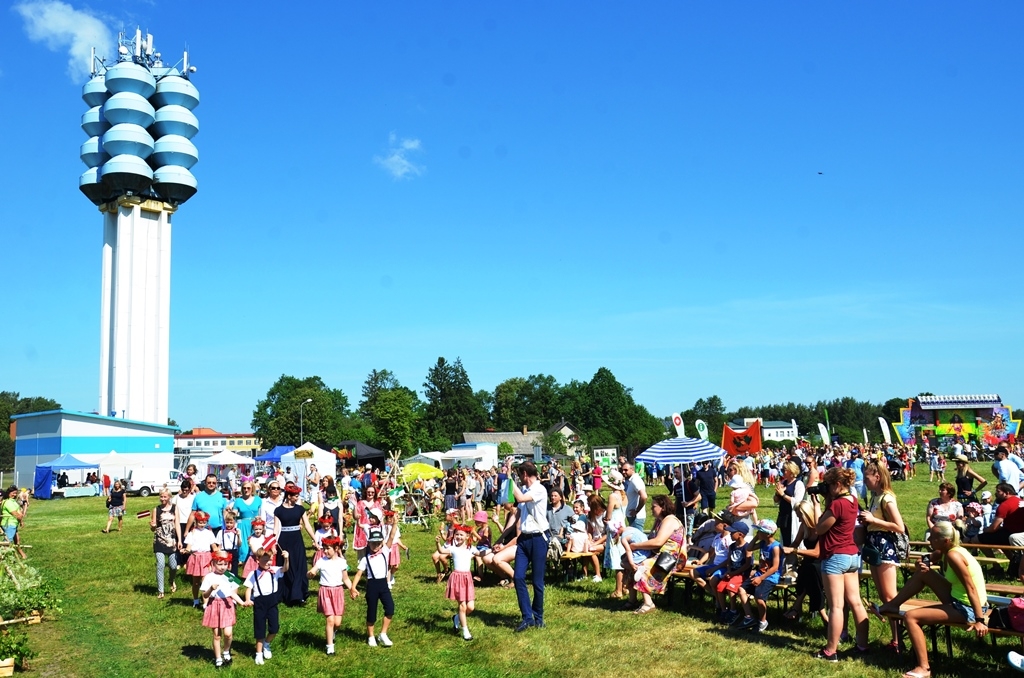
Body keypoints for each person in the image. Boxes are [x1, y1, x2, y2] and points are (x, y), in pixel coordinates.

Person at [877, 521, 988, 678]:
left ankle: (924, 668)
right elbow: (926, 558)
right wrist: (922, 564)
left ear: (945, 540)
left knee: (910, 617)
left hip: (967, 607)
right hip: (957, 598)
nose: (929, 540)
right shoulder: (946, 550)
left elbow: (971, 588)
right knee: (924, 573)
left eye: (933, 537)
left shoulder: (953, 556)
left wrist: (979, 620)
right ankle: (892, 605)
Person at [814, 467, 869, 661]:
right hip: (852, 554)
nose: (826, 489)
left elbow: (819, 528)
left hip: (836, 556)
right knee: (855, 601)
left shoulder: (837, 505)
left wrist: (816, 507)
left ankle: (830, 651)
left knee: (836, 606)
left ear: (837, 485)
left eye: (828, 486)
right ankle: (862, 645)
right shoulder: (853, 501)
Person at [860, 460, 906, 650]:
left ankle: (898, 639)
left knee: (890, 596)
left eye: (867, 478)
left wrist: (872, 519)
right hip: (874, 547)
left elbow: (899, 526)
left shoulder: (887, 498)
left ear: (877, 477)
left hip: (885, 546)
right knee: (883, 594)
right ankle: (894, 638)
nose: (865, 482)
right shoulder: (874, 497)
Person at [620, 494, 685, 614]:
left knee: (642, 565)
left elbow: (658, 542)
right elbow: (650, 538)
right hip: (658, 554)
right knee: (630, 563)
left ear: (663, 507)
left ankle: (648, 602)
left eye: (654, 506)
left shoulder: (670, 520)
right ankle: (632, 599)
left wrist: (635, 546)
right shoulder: (659, 521)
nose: (651, 509)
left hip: (669, 559)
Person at [511, 461, 549, 632]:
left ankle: (538, 617)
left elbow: (520, 499)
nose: (519, 478)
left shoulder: (539, 489)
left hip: (538, 539)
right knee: (518, 577)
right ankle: (527, 617)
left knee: (537, 581)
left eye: (519, 475)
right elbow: (518, 512)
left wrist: (508, 479)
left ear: (525, 474)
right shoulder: (526, 489)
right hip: (524, 539)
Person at [200, 551, 252, 668]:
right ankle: (218, 658)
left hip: (227, 605)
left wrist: (242, 602)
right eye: (219, 564)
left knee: (228, 633)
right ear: (213, 563)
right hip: (214, 605)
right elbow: (205, 596)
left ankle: (226, 651)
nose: (222, 567)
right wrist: (210, 589)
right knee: (217, 635)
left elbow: (233, 593)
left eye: (225, 564)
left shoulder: (230, 576)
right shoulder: (209, 577)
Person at [350, 525, 397, 647]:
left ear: (381, 543)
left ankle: (383, 633)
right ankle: (371, 636)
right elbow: (359, 573)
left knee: (390, 608)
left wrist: (395, 523)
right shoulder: (366, 559)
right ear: (369, 544)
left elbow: (391, 536)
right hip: (372, 585)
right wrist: (353, 587)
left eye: (377, 543)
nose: (375, 546)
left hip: (383, 585)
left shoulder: (385, 552)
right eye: (372, 544)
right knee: (372, 611)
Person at [308, 536, 354, 655]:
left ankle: (333, 632)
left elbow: (346, 578)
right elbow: (313, 570)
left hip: (338, 592)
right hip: (326, 591)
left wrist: (352, 589)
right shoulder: (321, 561)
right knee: (330, 620)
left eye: (328, 548)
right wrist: (311, 573)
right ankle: (330, 647)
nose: (325, 551)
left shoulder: (342, 562)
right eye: (324, 548)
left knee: (337, 623)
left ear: (336, 548)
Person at [243, 546, 290, 665]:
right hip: (259, 603)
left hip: (272, 601)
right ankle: (258, 653)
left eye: (270, 560)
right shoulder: (253, 574)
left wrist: (286, 559)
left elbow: (285, 569)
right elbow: (248, 588)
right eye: (265, 560)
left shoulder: (274, 570)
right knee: (260, 629)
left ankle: (267, 644)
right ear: (257, 560)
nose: (268, 563)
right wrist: (248, 599)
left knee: (274, 628)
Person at [782, 501, 826, 625]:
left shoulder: (820, 528)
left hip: (821, 562)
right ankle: (822, 614)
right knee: (807, 572)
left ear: (807, 514)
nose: (799, 520)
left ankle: (796, 608)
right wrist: (787, 549)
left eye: (800, 516)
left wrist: (794, 550)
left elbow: (817, 553)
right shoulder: (804, 527)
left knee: (809, 571)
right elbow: (795, 543)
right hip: (809, 564)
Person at [734, 518, 781, 632]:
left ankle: (762, 621)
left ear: (768, 534)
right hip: (760, 574)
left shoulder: (775, 547)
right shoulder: (763, 543)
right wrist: (757, 537)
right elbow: (749, 548)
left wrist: (761, 578)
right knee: (741, 590)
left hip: (770, 577)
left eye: (760, 531)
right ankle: (749, 617)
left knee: (759, 598)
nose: (757, 533)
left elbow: (775, 567)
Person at [274, 482, 316, 606]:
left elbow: (307, 525)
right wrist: (273, 544)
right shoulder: (279, 510)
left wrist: (314, 539)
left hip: (297, 540)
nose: (297, 498)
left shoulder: (300, 509)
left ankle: (298, 595)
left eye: (297, 495)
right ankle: (286, 593)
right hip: (284, 540)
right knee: (286, 566)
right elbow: (276, 529)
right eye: (295, 496)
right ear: (288, 496)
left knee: (298, 566)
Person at [436, 524, 477, 641]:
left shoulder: (471, 549)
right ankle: (465, 631)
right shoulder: (453, 548)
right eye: (456, 534)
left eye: (461, 535)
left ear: (467, 536)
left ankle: (457, 618)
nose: (458, 537)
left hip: (467, 578)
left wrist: (493, 549)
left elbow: (481, 554)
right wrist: (437, 543)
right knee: (462, 605)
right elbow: (442, 551)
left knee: (471, 607)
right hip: (457, 578)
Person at [183, 511, 217, 608]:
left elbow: (214, 546)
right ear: (196, 522)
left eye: (204, 522)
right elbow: (189, 547)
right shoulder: (192, 533)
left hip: (206, 557)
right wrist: (185, 550)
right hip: (195, 558)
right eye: (200, 522)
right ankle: (196, 600)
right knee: (196, 582)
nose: (202, 524)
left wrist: (221, 553)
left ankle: (206, 602)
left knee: (205, 580)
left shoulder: (209, 533)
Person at [603, 470, 628, 598]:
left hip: (614, 530)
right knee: (623, 558)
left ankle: (618, 590)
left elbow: (609, 515)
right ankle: (624, 587)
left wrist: (604, 520)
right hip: (622, 527)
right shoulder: (624, 495)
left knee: (618, 561)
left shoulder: (613, 496)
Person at [150, 490, 179, 599]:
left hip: (172, 541)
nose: (162, 499)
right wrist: (152, 525)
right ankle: (160, 591)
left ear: (169, 497)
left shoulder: (174, 508)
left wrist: (179, 540)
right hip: (159, 541)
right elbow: (153, 527)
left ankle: (171, 580)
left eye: (165, 497)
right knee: (160, 564)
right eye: (161, 497)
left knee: (173, 566)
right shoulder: (156, 509)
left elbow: (177, 525)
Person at [774, 461, 806, 547]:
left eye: (784, 470)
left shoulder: (798, 484)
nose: (782, 471)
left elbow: (797, 501)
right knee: (784, 538)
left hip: (793, 515)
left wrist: (783, 495)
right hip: (783, 515)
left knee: (793, 536)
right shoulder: (783, 483)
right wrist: (777, 493)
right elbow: (776, 500)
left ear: (791, 471)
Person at [231, 481, 262, 565]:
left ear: (252, 489)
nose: (246, 490)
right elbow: (234, 513)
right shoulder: (238, 500)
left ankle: (255, 561)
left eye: (248, 488)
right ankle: (244, 561)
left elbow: (261, 512)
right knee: (244, 546)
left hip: (254, 525)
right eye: (244, 488)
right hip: (243, 524)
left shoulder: (258, 499)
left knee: (254, 543)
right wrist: (230, 513)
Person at [621, 461, 648, 530]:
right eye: (622, 470)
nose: (623, 472)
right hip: (633, 517)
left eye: (626, 470)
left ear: (632, 470)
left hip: (636, 517)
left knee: (637, 539)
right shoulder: (632, 480)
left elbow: (644, 496)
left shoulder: (635, 480)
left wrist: (637, 510)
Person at [1, 486, 25, 558]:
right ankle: (2, 557)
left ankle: (23, 555)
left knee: (17, 540)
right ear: (9, 493)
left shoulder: (12, 501)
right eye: (13, 493)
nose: (15, 495)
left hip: (14, 524)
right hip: (9, 524)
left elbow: (19, 512)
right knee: (7, 542)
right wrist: (20, 517)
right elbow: (15, 514)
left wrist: (21, 521)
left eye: (16, 493)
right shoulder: (8, 502)